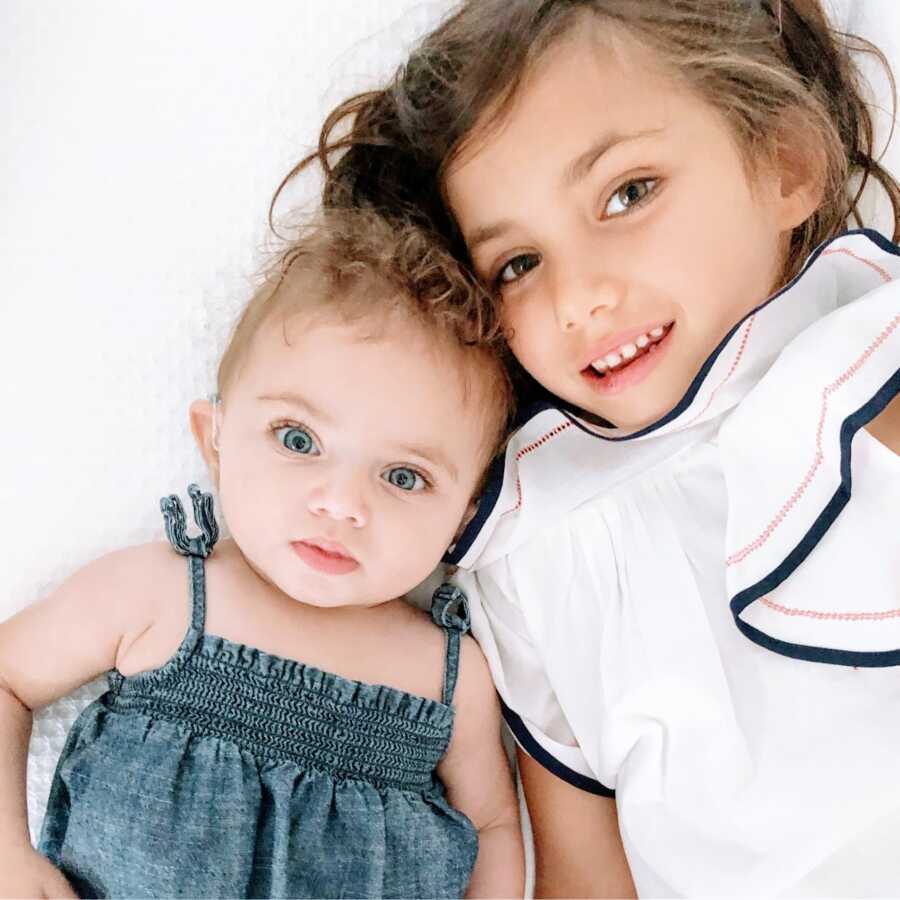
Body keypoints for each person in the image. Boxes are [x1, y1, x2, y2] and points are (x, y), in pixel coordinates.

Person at [280, 1, 900, 895]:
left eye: (627, 193)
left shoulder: (871, 361)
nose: (578, 299)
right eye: (518, 265)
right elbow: (581, 871)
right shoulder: (536, 550)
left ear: (784, 165)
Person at [0, 208, 525, 899]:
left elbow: (491, 825)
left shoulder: (448, 677)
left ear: (463, 518)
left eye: (404, 477)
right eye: (299, 439)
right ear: (213, 440)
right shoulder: (159, 595)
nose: (341, 503)